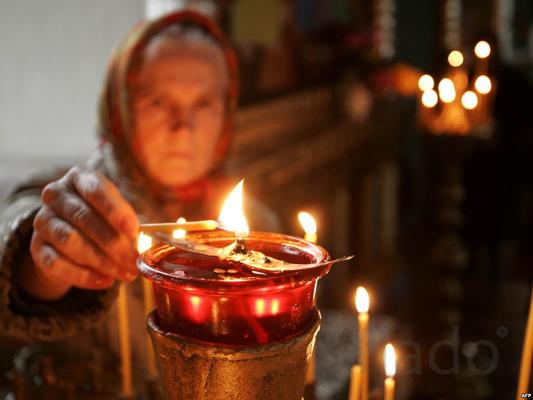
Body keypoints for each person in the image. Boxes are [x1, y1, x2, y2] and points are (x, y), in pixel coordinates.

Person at [0, 10, 277, 397]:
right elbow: (18, 228)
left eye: (203, 103)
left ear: (228, 114)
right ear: (120, 107)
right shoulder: (75, 198)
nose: (183, 125)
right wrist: (43, 267)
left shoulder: (259, 229)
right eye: (159, 102)